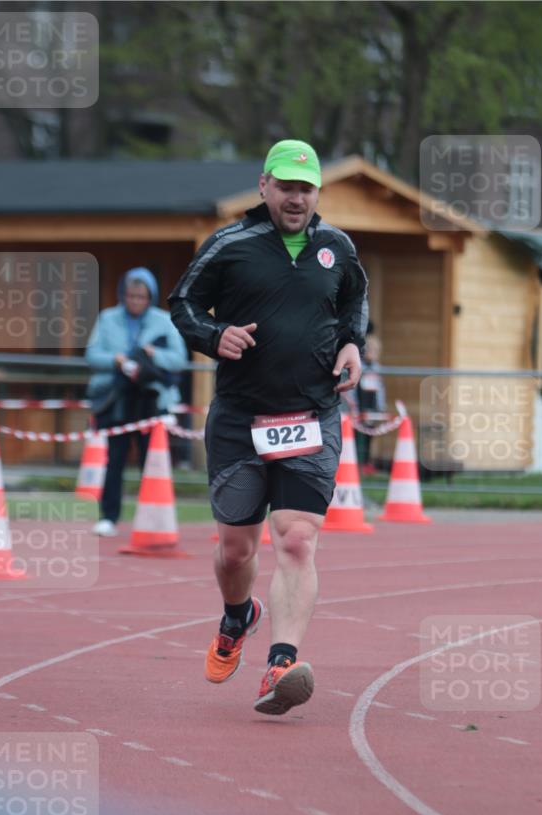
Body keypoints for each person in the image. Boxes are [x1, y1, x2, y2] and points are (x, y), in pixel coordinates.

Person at [169, 139, 369, 715]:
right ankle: (238, 616)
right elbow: (182, 303)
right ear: (265, 187)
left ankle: (281, 664)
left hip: (311, 414)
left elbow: (356, 302)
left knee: (298, 539)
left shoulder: (337, 247)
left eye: (306, 188)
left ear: (316, 194)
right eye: (286, 187)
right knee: (236, 552)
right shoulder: (232, 244)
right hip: (239, 418)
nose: (296, 198)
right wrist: (214, 336)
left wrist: (354, 343)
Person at [86, 267, 187, 536]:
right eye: (131, 296)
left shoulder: (164, 321)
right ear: (122, 294)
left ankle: (153, 518)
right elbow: (92, 355)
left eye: (141, 296)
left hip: (150, 399)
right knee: (114, 459)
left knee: (152, 460)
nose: (135, 301)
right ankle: (109, 517)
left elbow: (179, 359)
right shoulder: (107, 318)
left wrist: (154, 355)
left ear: (150, 297)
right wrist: (115, 359)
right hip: (117, 397)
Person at [352, 330, 387, 475]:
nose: (371, 352)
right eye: (369, 349)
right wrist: (352, 406)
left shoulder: (378, 369)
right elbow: (352, 389)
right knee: (356, 436)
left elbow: (381, 390)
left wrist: (381, 407)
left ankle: (365, 463)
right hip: (359, 406)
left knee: (369, 436)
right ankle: (355, 463)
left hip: (372, 408)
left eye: (375, 350)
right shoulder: (358, 366)